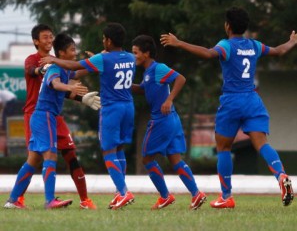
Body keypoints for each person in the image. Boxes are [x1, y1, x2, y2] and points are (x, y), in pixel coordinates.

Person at [160, 7, 297, 208]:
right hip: (253, 100)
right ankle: (281, 175)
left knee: (223, 147)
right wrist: (293, 42)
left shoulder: (226, 45)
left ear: (228, 26)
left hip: (232, 101)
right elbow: (278, 51)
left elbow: (208, 54)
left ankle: (226, 196)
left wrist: (179, 43)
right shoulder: (254, 45)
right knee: (262, 144)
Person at [40, 22, 136, 210]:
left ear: (108, 41)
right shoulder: (131, 57)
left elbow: (74, 65)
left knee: (108, 151)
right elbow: (91, 68)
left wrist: (53, 60)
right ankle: (119, 193)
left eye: (103, 39)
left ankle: (124, 192)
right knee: (119, 149)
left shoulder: (103, 58)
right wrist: (98, 60)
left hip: (111, 109)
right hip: (128, 107)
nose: (102, 41)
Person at [4, 33, 101, 209]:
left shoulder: (64, 69)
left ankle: (12, 201)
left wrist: (95, 64)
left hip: (42, 117)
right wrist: (71, 87)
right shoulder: (54, 69)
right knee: (50, 155)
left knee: (33, 160)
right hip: (45, 116)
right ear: (62, 53)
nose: (75, 52)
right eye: (72, 49)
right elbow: (55, 84)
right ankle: (50, 201)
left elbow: (79, 70)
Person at [131, 35, 207, 210]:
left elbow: (180, 78)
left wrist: (169, 99)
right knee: (175, 159)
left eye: (135, 52)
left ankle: (165, 196)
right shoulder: (149, 73)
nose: (133, 55)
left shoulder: (158, 68)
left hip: (162, 120)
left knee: (147, 158)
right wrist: (123, 85)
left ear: (146, 53)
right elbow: (143, 89)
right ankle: (196, 195)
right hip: (171, 120)